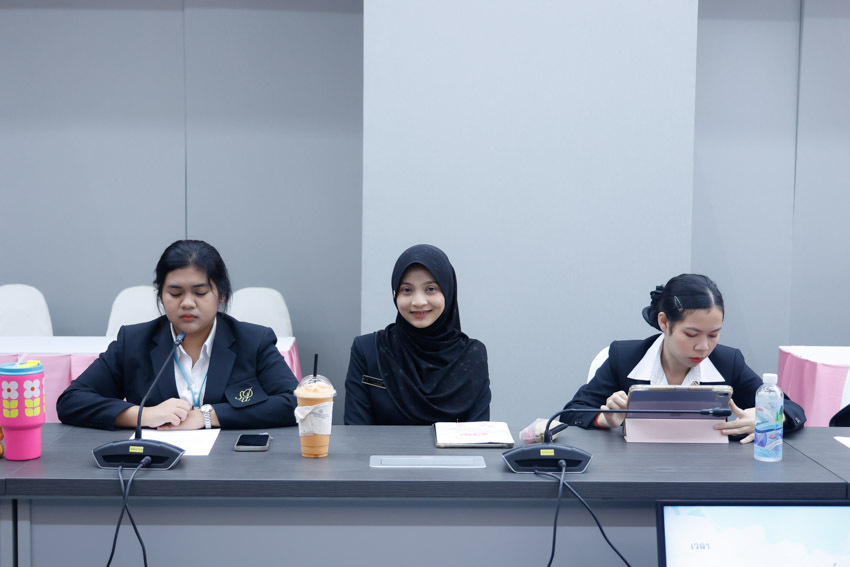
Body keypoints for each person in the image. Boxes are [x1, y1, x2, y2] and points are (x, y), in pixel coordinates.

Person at [57, 240, 298, 430]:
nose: (187, 303)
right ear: (161, 295)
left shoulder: (253, 341)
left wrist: (207, 416)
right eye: (175, 293)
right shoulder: (134, 341)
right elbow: (72, 401)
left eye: (200, 292)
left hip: (230, 466)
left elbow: (295, 403)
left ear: (221, 294)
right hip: (154, 466)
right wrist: (143, 415)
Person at [565, 274, 806, 442]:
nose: (703, 347)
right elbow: (572, 411)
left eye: (713, 334)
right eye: (691, 334)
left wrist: (767, 418)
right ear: (664, 322)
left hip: (708, 473)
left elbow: (793, 409)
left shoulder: (727, 362)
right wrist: (605, 418)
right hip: (634, 471)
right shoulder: (625, 358)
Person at [344, 244, 491, 425]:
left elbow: (477, 435)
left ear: (448, 291)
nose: (418, 302)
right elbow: (356, 432)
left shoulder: (472, 355)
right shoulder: (368, 351)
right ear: (395, 293)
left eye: (431, 289)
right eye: (407, 290)